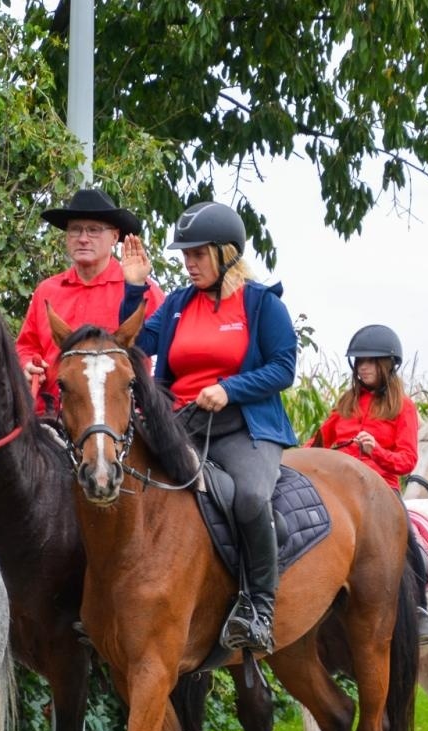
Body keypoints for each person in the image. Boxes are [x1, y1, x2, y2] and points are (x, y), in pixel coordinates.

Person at [115, 201, 295, 653]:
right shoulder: (176, 304)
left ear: (227, 253)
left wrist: (230, 389)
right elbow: (131, 343)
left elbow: (283, 368)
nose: (188, 263)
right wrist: (135, 289)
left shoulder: (261, 303)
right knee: (119, 482)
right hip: (180, 424)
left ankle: (259, 607)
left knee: (251, 497)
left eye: (198, 254)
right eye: (184, 255)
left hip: (243, 427)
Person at [312, 325, 428, 644]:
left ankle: (419, 609)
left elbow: (408, 461)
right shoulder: (345, 402)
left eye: (371, 361)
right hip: (337, 488)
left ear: (388, 365)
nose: (363, 367)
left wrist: (376, 451)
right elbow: (318, 442)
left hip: (381, 489)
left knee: (409, 541)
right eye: (359, 361)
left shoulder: (403, 407)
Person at [17, 188, 164, 415]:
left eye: (94, 230)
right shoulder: (46, 291)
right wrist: (27, 365)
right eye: (75, 230)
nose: (83, 238)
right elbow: (25, 346)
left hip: (119, 423)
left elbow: (167, 346)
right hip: (49, 418)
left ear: (115, 236)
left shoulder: (141, 289)